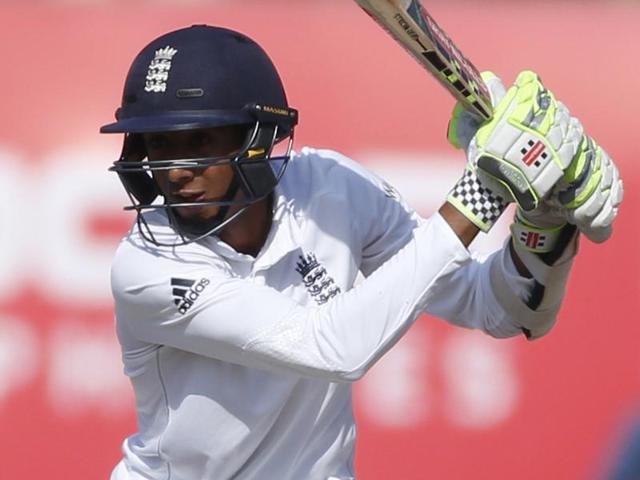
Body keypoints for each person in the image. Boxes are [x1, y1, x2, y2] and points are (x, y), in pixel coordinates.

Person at [100, 25, 622, 480]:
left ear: (258, 137)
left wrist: (542, 219)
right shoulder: (147, 266)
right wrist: (486, 191)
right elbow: (334, 349)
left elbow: (501, 309)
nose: (174, 170)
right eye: (159, 146)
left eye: (199, 139)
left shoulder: (332, 190)